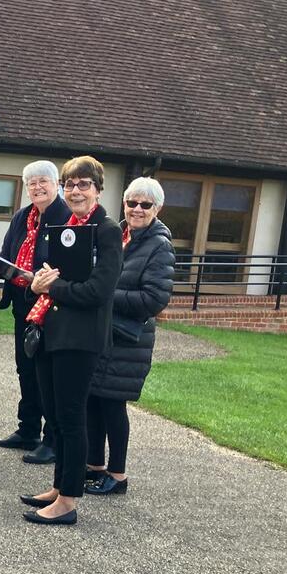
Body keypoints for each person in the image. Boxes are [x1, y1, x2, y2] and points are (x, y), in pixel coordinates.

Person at [20, 155, 124, 525]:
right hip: (52, 331)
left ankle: (68, 501)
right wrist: (36, 284)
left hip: (80, 338)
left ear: (98, 189)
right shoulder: (66, 226)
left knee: (70, 416)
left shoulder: (107, 231)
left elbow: (99, 290)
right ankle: (59, 486)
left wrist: (54, 287)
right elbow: (48, 276)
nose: (75, 191)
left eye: (83, 184)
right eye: (70, 184)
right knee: (55, 416)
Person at [85, 177, 175, 495]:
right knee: (93, 400)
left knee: (113, 406)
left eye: (145, 204)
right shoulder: (117, 235)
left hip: (128, 340)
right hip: (104, 332)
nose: (137, 209)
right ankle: (95, 466)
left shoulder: (159, 245)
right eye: (131, 202)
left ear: (157, 208)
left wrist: (103, 294)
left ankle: (118, 475)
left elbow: (154, 298)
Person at [0, 161, 71, 465]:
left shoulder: (65, 218)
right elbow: (7, 253)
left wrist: (36, 277)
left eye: (43, 181)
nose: (37, 187)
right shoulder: (23, 216)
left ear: (56, 184)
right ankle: (28, 429)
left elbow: (64, 265)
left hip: (50, 305)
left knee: (47, 373)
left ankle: (52, 439)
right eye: (31, 183)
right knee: (25, 367)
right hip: (22, 300)